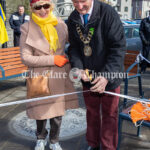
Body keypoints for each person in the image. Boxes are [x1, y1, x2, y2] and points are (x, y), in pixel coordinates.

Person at [67, 0, 126, 150]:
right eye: (75, 2)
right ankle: (93, 144)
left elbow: (118, 48)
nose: (80, 7)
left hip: (110, 77)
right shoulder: (73, 18)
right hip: (88, 77)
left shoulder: (108, 13)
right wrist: (78, 68)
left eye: (83, 1)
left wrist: (106, 76)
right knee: (92, 113)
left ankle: (108, 147)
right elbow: (74, 48)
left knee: (110, 115)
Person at [20, 0, 78, 150]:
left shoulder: (60, 24)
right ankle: (40, 138)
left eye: (46, 6)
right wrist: (53, 59)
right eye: (38, 7)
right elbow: (25, 58)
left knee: (57, 113)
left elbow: (75, 43)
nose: (43, 10)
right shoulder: (27, 27)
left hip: (59, 75)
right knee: (40, 112)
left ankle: (54, 140)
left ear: (51, 6)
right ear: (33, 9)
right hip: (40, 77)